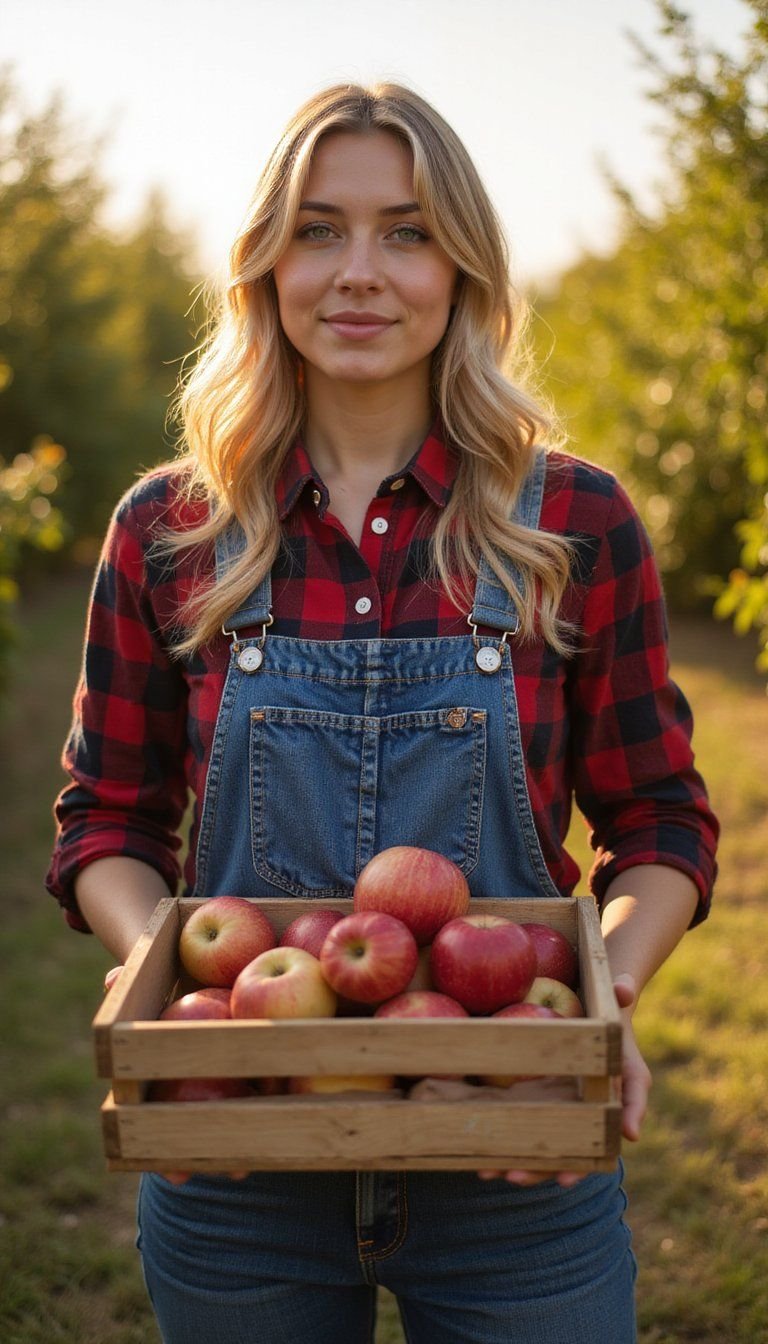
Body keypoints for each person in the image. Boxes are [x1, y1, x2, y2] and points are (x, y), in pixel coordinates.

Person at [46, 82, 718, 1344]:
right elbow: (107, 823)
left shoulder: (571, 526)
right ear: (266, 264)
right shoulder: (170, 531)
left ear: (463, 269)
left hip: (515, 1146)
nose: (360, 272)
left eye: (406, 232)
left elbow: (661, 826)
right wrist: (161, 998)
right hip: (237, 1155)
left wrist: (598, 1010)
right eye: (320, 229)